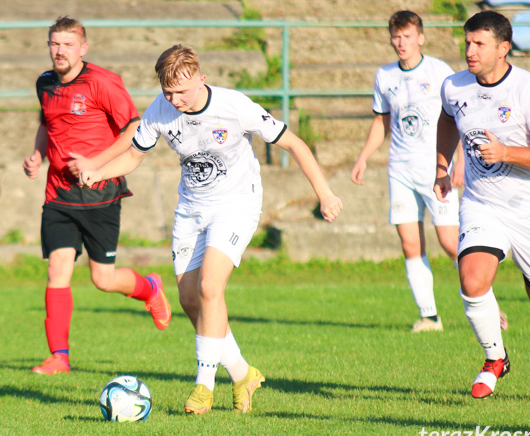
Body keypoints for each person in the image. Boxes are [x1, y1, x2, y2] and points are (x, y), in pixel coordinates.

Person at [80, 45, 343, 414]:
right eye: (168, 92)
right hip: (191, 209)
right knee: (192, 301)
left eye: (182, 92)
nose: (175, 100)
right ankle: (242, 373)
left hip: (236, 204)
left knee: (209, 287)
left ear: (201, 78)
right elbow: (134, 156)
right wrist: (99, 171)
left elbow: (294, 143)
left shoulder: (235, 106)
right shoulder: (160, 109)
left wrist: (325, 193)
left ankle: (203, 388)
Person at [22, 16, 172, 376]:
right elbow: (47, 123)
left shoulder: (103, 82)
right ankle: (59, 356)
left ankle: (149, 287)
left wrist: (96, 162)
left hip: (99, 194)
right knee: (57, 269)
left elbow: (134, 128)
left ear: (83, 49)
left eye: (68, 45)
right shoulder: (44, 83)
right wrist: (38, 156)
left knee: (102, 279)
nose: (60, 51)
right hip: (58, 195)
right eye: (54, 44)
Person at [435, 11, 530, 403]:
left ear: (503, 48)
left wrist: (505, 152)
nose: (470, 51)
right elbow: (446, 121)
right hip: (482, 203)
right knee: (472, 280)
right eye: (467, 42)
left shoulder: (529, 90)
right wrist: (443, 166)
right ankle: (495, 358)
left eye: (479, 44)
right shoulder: (454, 86)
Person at [352, 11, 470, 333]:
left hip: (436, 170)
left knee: (449, 241)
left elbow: (456, 119)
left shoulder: (439, 71)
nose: (400, 42)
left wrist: (458, 161)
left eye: (406, 36)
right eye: (395, 36)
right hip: (400, 169)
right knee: (410, 244)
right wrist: (364, 156)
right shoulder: (385, 76)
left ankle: (484, 298)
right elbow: (381, 122)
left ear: (421, 37)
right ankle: (429, 316)